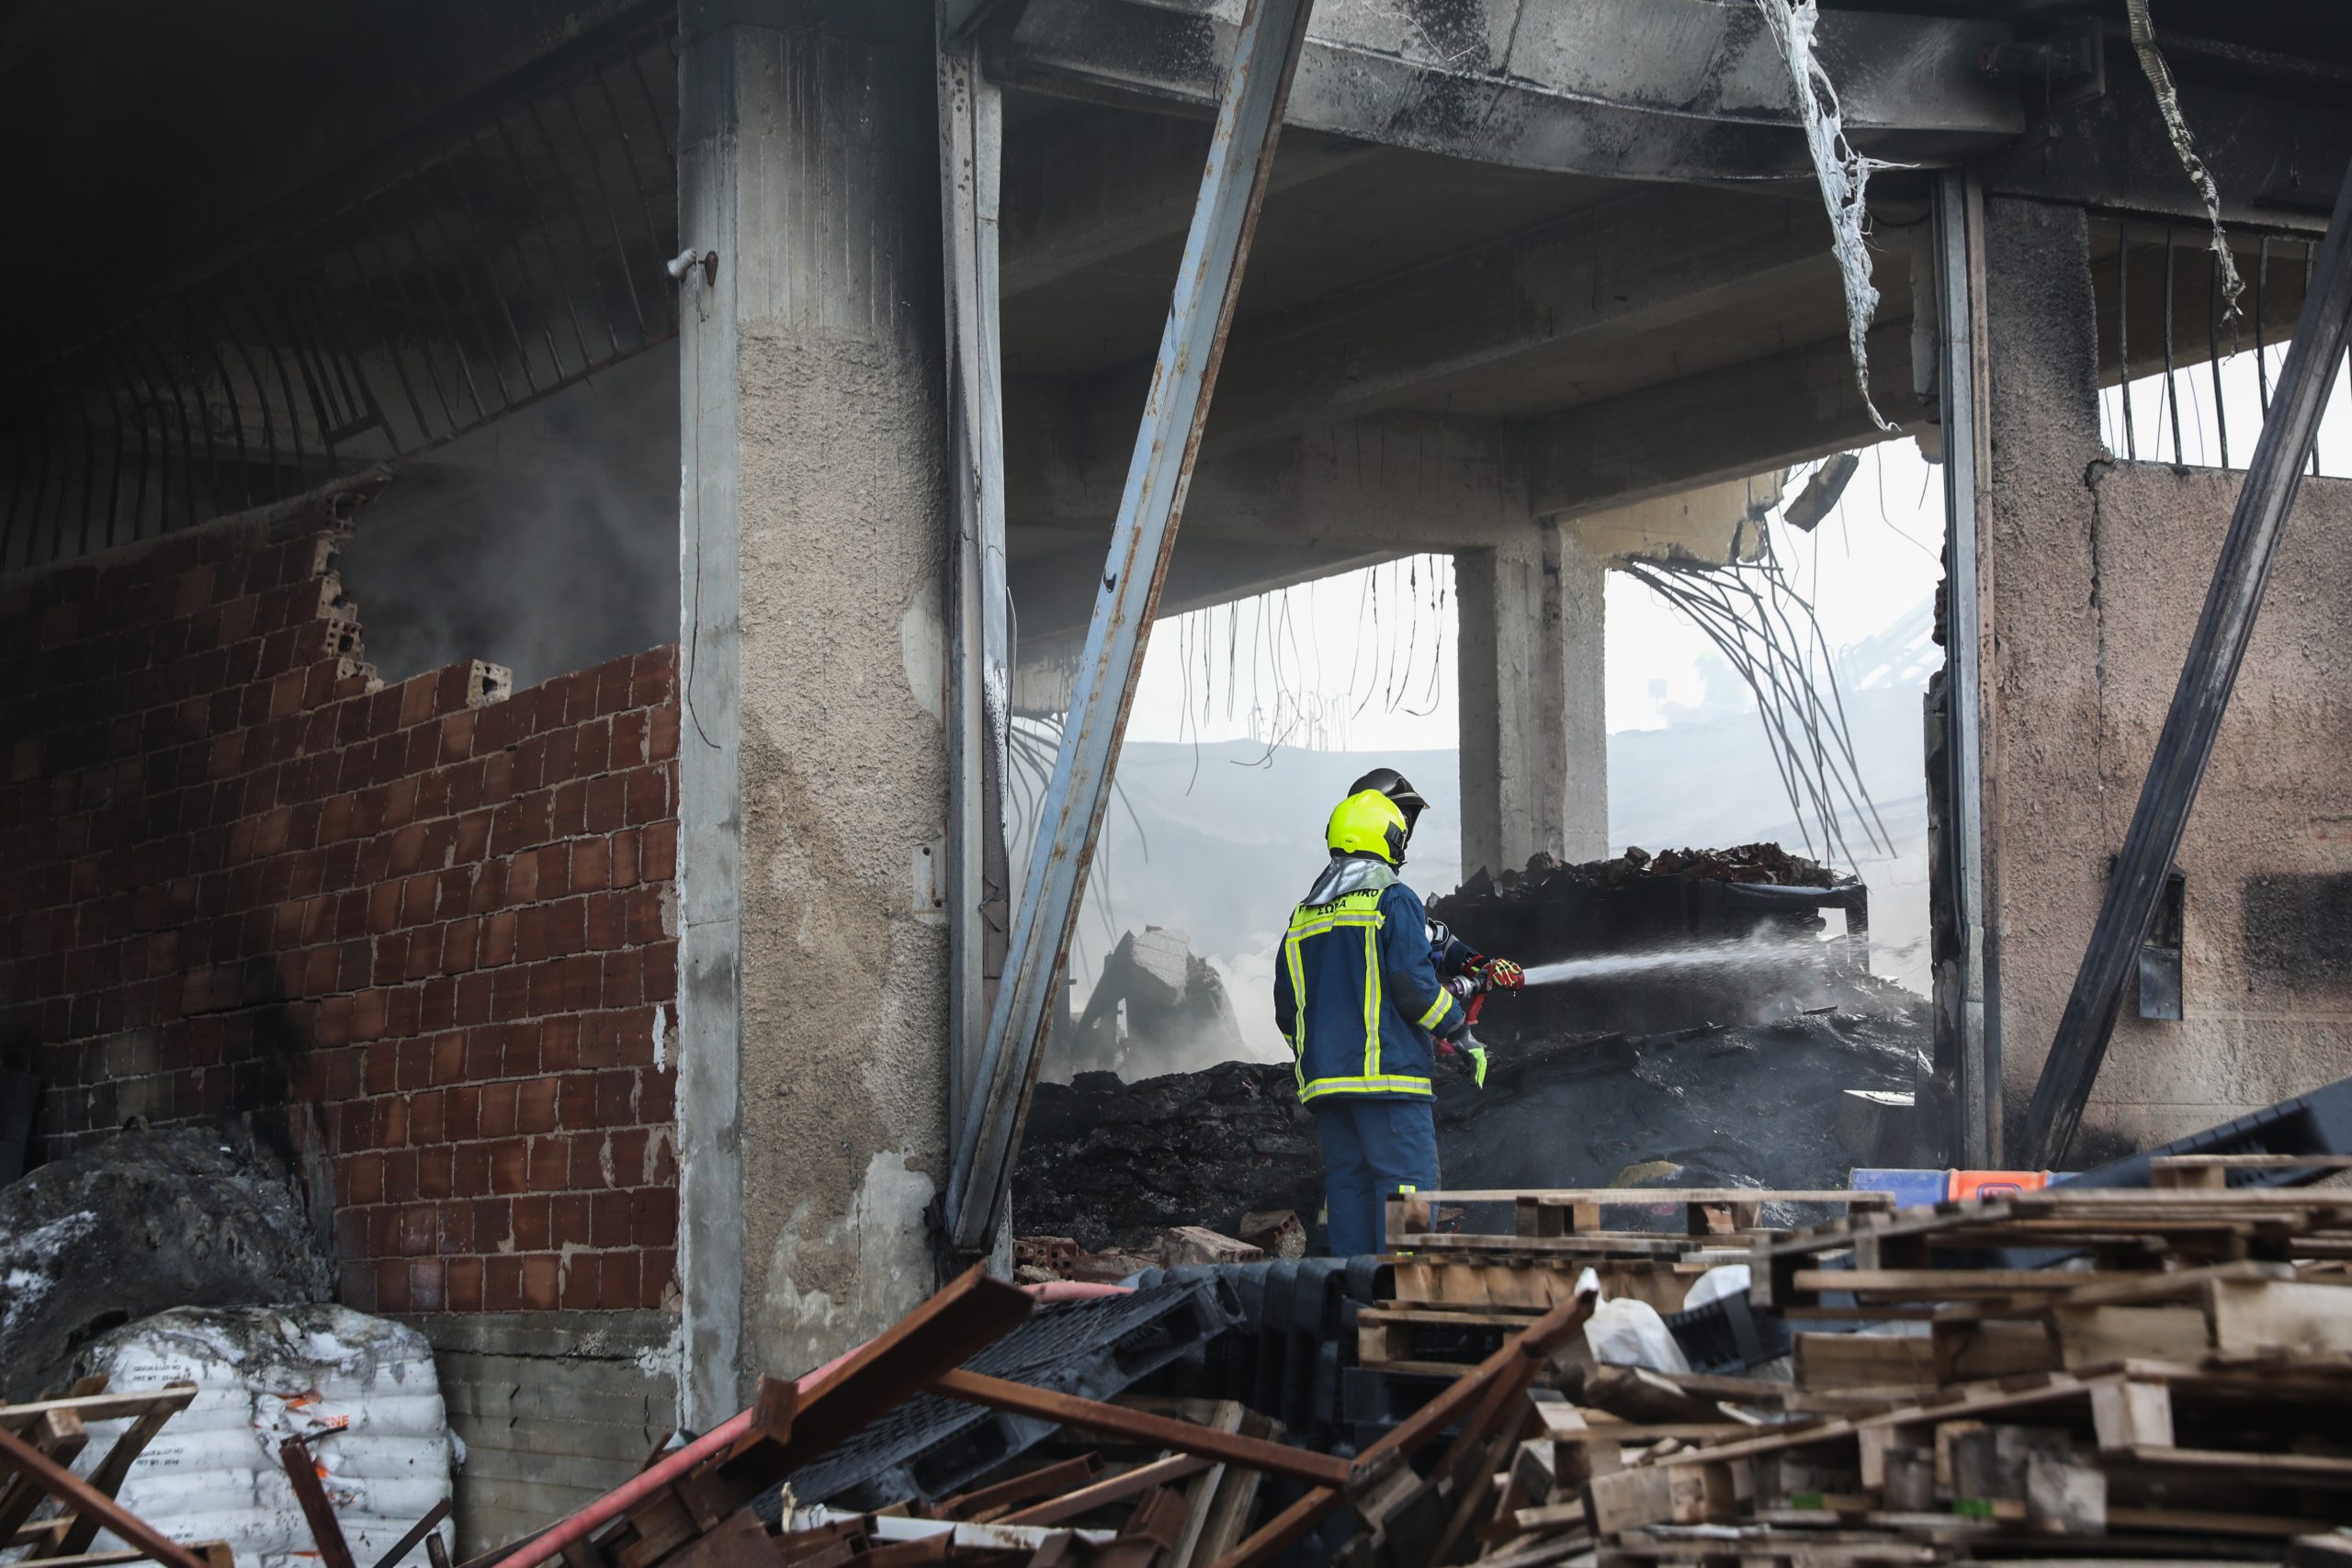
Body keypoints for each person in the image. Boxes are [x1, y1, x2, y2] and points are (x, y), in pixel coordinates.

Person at [1272, 769, 1522, 1258]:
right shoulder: (1392, 898)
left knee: (1350, 1189)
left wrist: (1319, 1056)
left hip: (1327, 1087)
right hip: (1389, 1081)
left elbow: (1287, 1010)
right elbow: (1414, 988)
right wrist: (1461, 1033)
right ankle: (1402, 1291)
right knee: (1406, 1187)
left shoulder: (1302, 916)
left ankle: (1352, 1300)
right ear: (1387, 837)